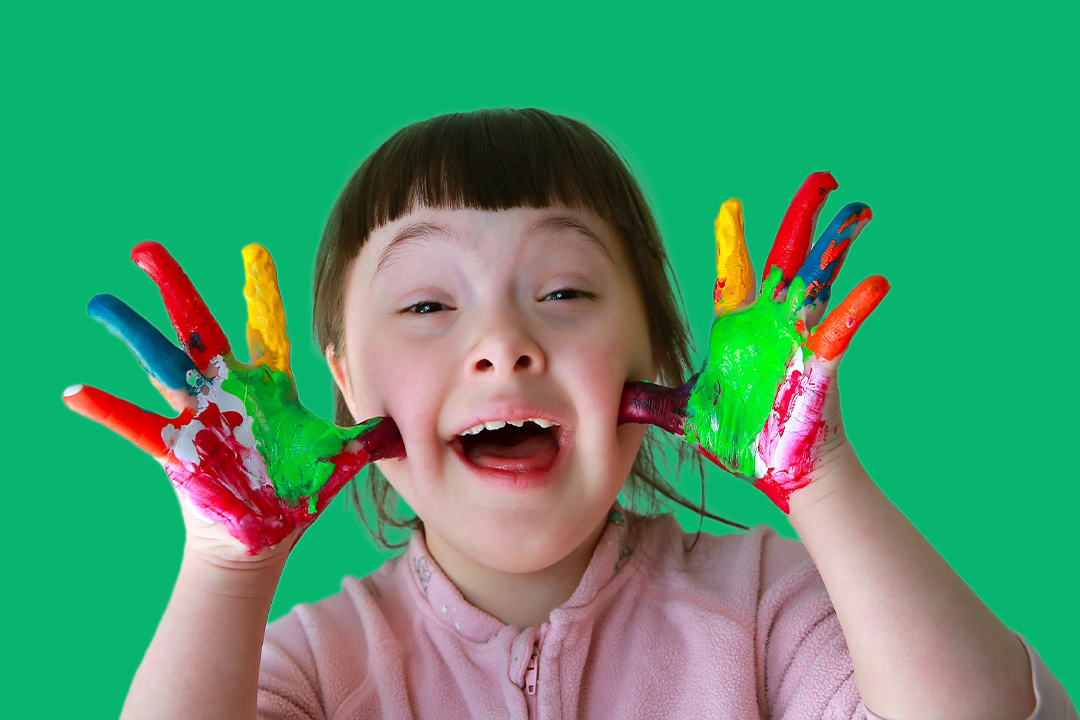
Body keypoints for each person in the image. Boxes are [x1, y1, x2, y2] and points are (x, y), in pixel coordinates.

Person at [65, 108, 1075, 719]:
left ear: (660, 361)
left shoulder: (766, 607)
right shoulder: (317, 666)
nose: (503, 343)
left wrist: (825, 483)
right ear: (347, 390)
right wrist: (226, 571)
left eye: (564, 293)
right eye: (426, 305)